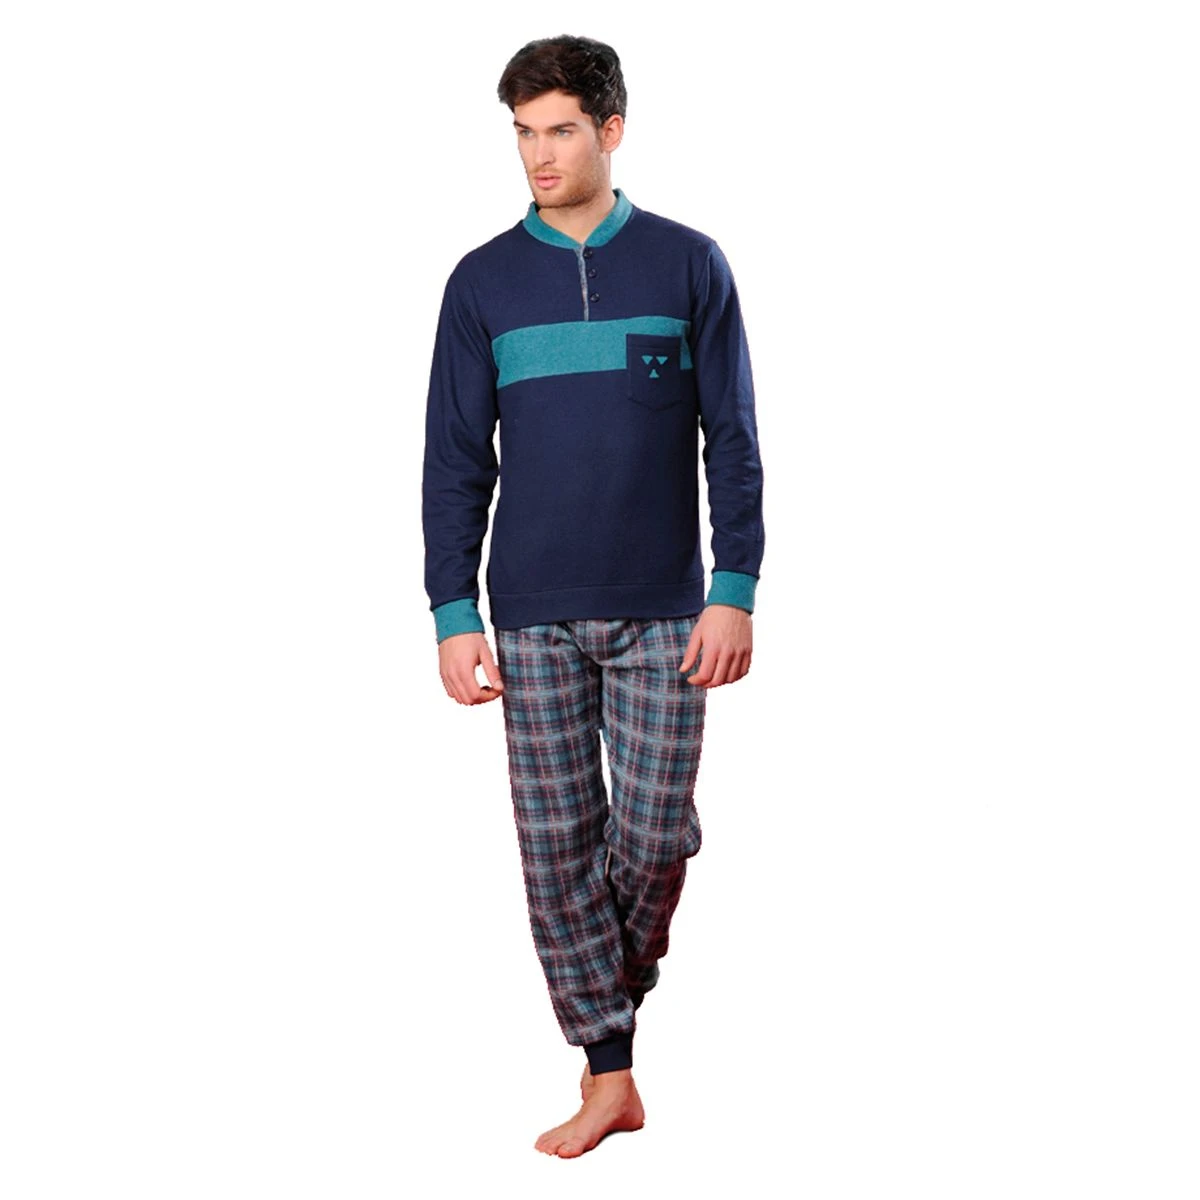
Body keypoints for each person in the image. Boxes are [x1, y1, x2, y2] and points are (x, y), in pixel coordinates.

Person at [421, 33, 765, 1158]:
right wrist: (453, 611)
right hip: (527, 613)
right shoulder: (480, 282)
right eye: (524, 133)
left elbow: (733, 438)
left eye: (561, 129)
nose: (540, 154)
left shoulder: (689, 263)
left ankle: (611, 990)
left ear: (610, 131)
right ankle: (611, 1073)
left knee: (655, 834)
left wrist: (735, 586)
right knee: (555, 847)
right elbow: (454, 460)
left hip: (669, 607)